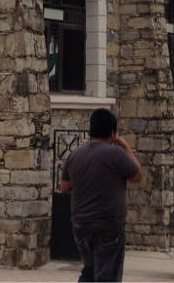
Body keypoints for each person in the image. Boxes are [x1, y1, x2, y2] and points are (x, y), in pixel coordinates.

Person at [59, 108, 143, 282]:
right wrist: (125, 146)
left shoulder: (75, 154)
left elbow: (64, 187)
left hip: (81, 224)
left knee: (89, 271)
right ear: (112, 133)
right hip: (108, 225)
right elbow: (137, 175)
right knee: (107, 275)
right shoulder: (116, 154)